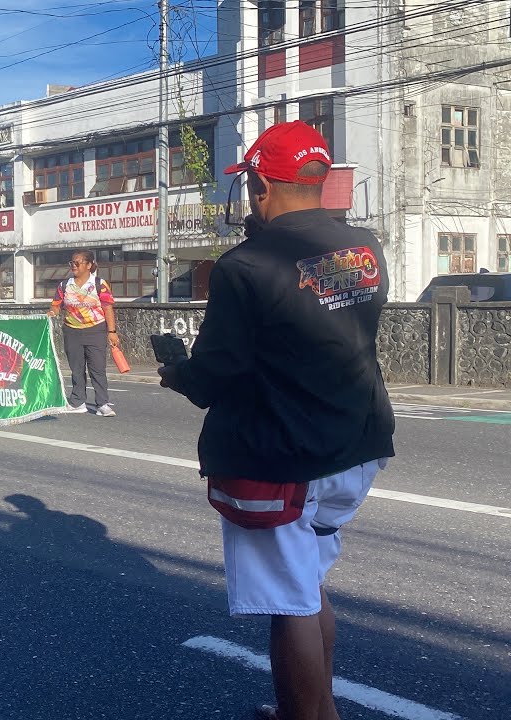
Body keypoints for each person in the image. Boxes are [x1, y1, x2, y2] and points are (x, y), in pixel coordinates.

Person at [157, 122, 395, 720]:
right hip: (358, 445)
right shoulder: (364, 245)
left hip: (284, 458)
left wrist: (178, 371)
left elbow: (215, 376)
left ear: (261, 184)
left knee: (289, 603)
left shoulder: (246, 266)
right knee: (308, 582)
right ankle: (324, 710)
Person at [47, 250, 119, 417]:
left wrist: (112, 331)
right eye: (72, 263)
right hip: (72, 331)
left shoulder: (99, 284)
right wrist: (51, 313)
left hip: (96, 330)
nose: (74, 266)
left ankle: (102, 403)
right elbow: (56, 306)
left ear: (88, 265)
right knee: (76, 368)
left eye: (77, 263)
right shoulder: (64, 285)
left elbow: (108, 308)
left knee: (97, 368)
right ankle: (78, 402)